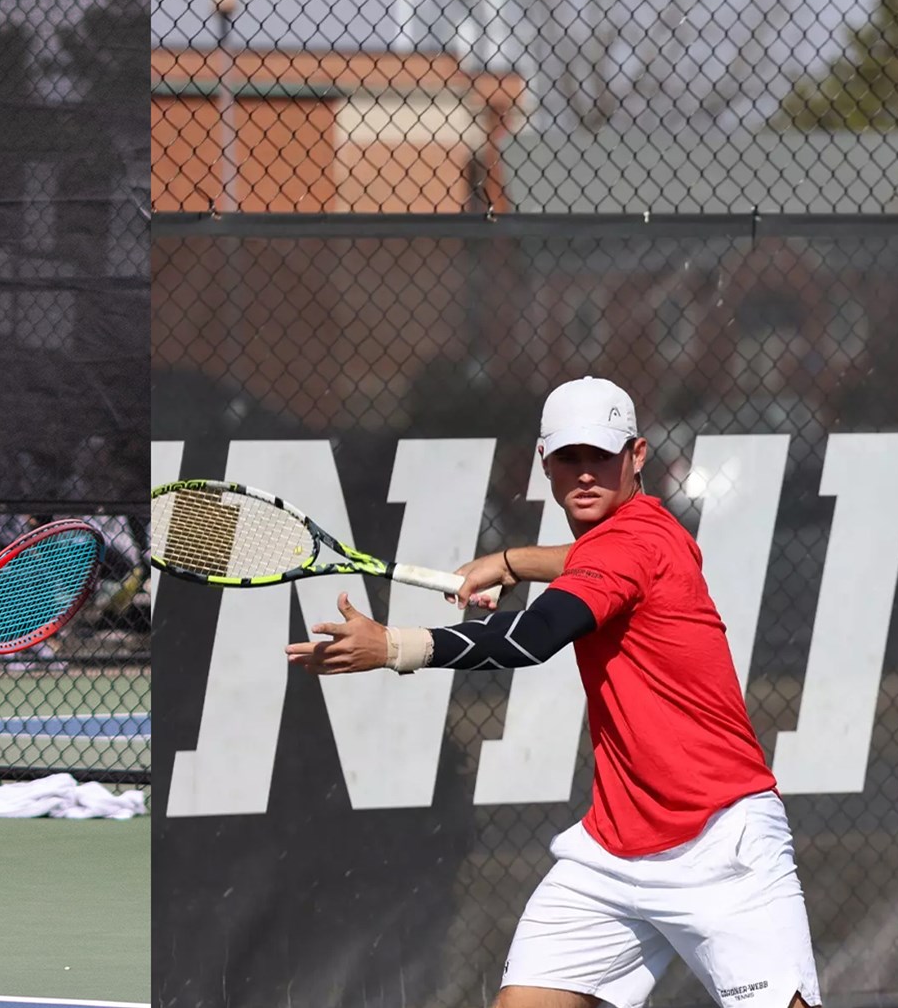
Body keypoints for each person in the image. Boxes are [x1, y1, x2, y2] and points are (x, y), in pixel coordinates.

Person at [286, 376, 820, 1008]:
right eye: (571, 458)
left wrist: (394, 647)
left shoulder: (633, 545)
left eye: (603, 456)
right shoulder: (656, 532)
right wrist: (509, 561)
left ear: (638, 457)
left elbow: (536, 636)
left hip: (721, 844)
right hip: (611, 853)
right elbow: (585, 557)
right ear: (545, 462)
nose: (586, 474)